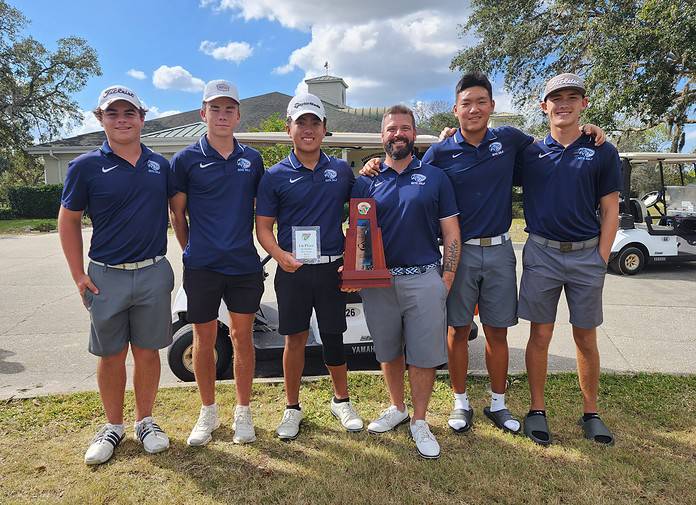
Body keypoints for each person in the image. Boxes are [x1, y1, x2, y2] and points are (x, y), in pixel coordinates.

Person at [361, 72, 606, 435]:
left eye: (481, 102)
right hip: (459, 254)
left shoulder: (509, 140)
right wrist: (374, 165)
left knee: (497, 331)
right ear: (455, 110)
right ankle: (460, 402)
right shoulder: (439, 153)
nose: (474, 109)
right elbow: (408, 175)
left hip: (501, 249)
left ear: (491, 106)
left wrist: (591, 130)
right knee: (457, 330)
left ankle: (498, 402)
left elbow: (553, 143)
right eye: (466, 104)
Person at [58, 85, 174, 465]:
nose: (122, 120)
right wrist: (78, 275)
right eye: (113, 114)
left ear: (142, 118)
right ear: (100, 119)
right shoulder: (85, 166)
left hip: (153, 271)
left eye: (129, 113)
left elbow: (181, 211)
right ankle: (112, 426)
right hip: (105, 275)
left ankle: (146, 421)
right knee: (110, 355)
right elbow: (69, 220)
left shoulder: (160, 165)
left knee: (148, 351)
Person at [516, 73, 621, 446]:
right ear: (543, 106)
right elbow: (483, 157)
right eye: (555, 98)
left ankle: (591, 413)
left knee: (585, 337)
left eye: (571, 97)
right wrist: (450, 134)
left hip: (585, 255)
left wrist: (601, 258)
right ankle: (537, 410)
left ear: (583, 104)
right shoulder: (528, 153)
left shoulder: (602, 151)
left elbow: (611, 209)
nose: (563, 104)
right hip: (542, 252)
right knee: (540, 334)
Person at [352, 105, 461, 459]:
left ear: (414, 134)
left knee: (424, 355)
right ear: (381, 136)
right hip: (378, 283)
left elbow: (451, 232)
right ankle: (397, 408)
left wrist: (445, 278)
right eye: (391, 129)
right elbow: (357, 233)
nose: (397, 134)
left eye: (404, 128)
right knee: (387, 349)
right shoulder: (366, 179)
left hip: (424, 279)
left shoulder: (434, 177)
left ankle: (420, 420)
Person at [255, 93, 363, 440]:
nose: (308, 129)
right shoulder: (274, 175)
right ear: (289, 128)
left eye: (315, 122)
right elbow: (263, 228)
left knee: (334, 336)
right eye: (301, 122)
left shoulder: (341, 171)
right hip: (293, 270)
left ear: (324, 129)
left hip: (332, 269)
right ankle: (292, 408)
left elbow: (363, 211)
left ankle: (341, 400)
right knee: (295, 338)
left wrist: (355, 263)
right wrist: (280, 255)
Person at [169, 80, 265, 446]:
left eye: (229, 109)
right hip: (203, 266)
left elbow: (263, 211)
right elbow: (177, 213)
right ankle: (208, 411)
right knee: (203, 339)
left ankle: (243, 412)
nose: (222, 115)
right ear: (203, 113)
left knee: (242, 338)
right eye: (215, 109)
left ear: (238, 115)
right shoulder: (186, 159)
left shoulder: (251, 159)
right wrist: (192, 249)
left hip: (243, 265)